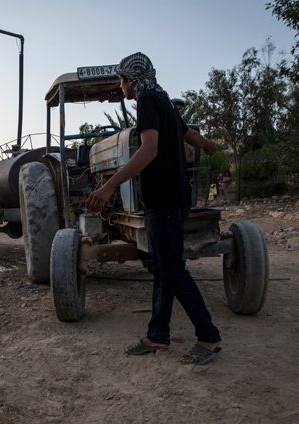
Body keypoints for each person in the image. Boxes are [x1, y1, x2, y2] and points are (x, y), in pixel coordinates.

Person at [85, 52, 222, 365]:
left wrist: (107, 188)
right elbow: (187, 133)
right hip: (172, 199)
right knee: (162, 268)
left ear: (132, 80)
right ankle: (157, 335)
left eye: (122, 79)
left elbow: (148, 150)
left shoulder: (148, 101)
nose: (121, 86)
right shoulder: (165, 101)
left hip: (164, 202)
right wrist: (207, 145)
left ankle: (209, 336)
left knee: (173, 270)